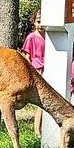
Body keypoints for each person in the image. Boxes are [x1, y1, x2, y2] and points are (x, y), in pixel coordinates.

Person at [22, 9, 45, 137]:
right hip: (37, 70)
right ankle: (37, 131)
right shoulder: (31, 37)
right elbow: (26, 56)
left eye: (43, 22)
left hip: (48, 69)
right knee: (40, 103)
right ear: (34, 22)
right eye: (38, 21)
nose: (40, 25)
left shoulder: (49, 37)